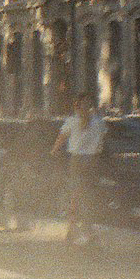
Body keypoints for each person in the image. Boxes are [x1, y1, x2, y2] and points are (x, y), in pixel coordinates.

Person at [53, 93, 105, 244]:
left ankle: (72, 229)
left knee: (75, 196)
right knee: (89, 195)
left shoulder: (72, 121)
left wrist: (54, 151)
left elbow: (61, 139)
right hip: (92, 161)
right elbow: (102, 139)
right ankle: (89, 229)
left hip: (77, 161)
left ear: (76, 105)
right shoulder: (98, 121)